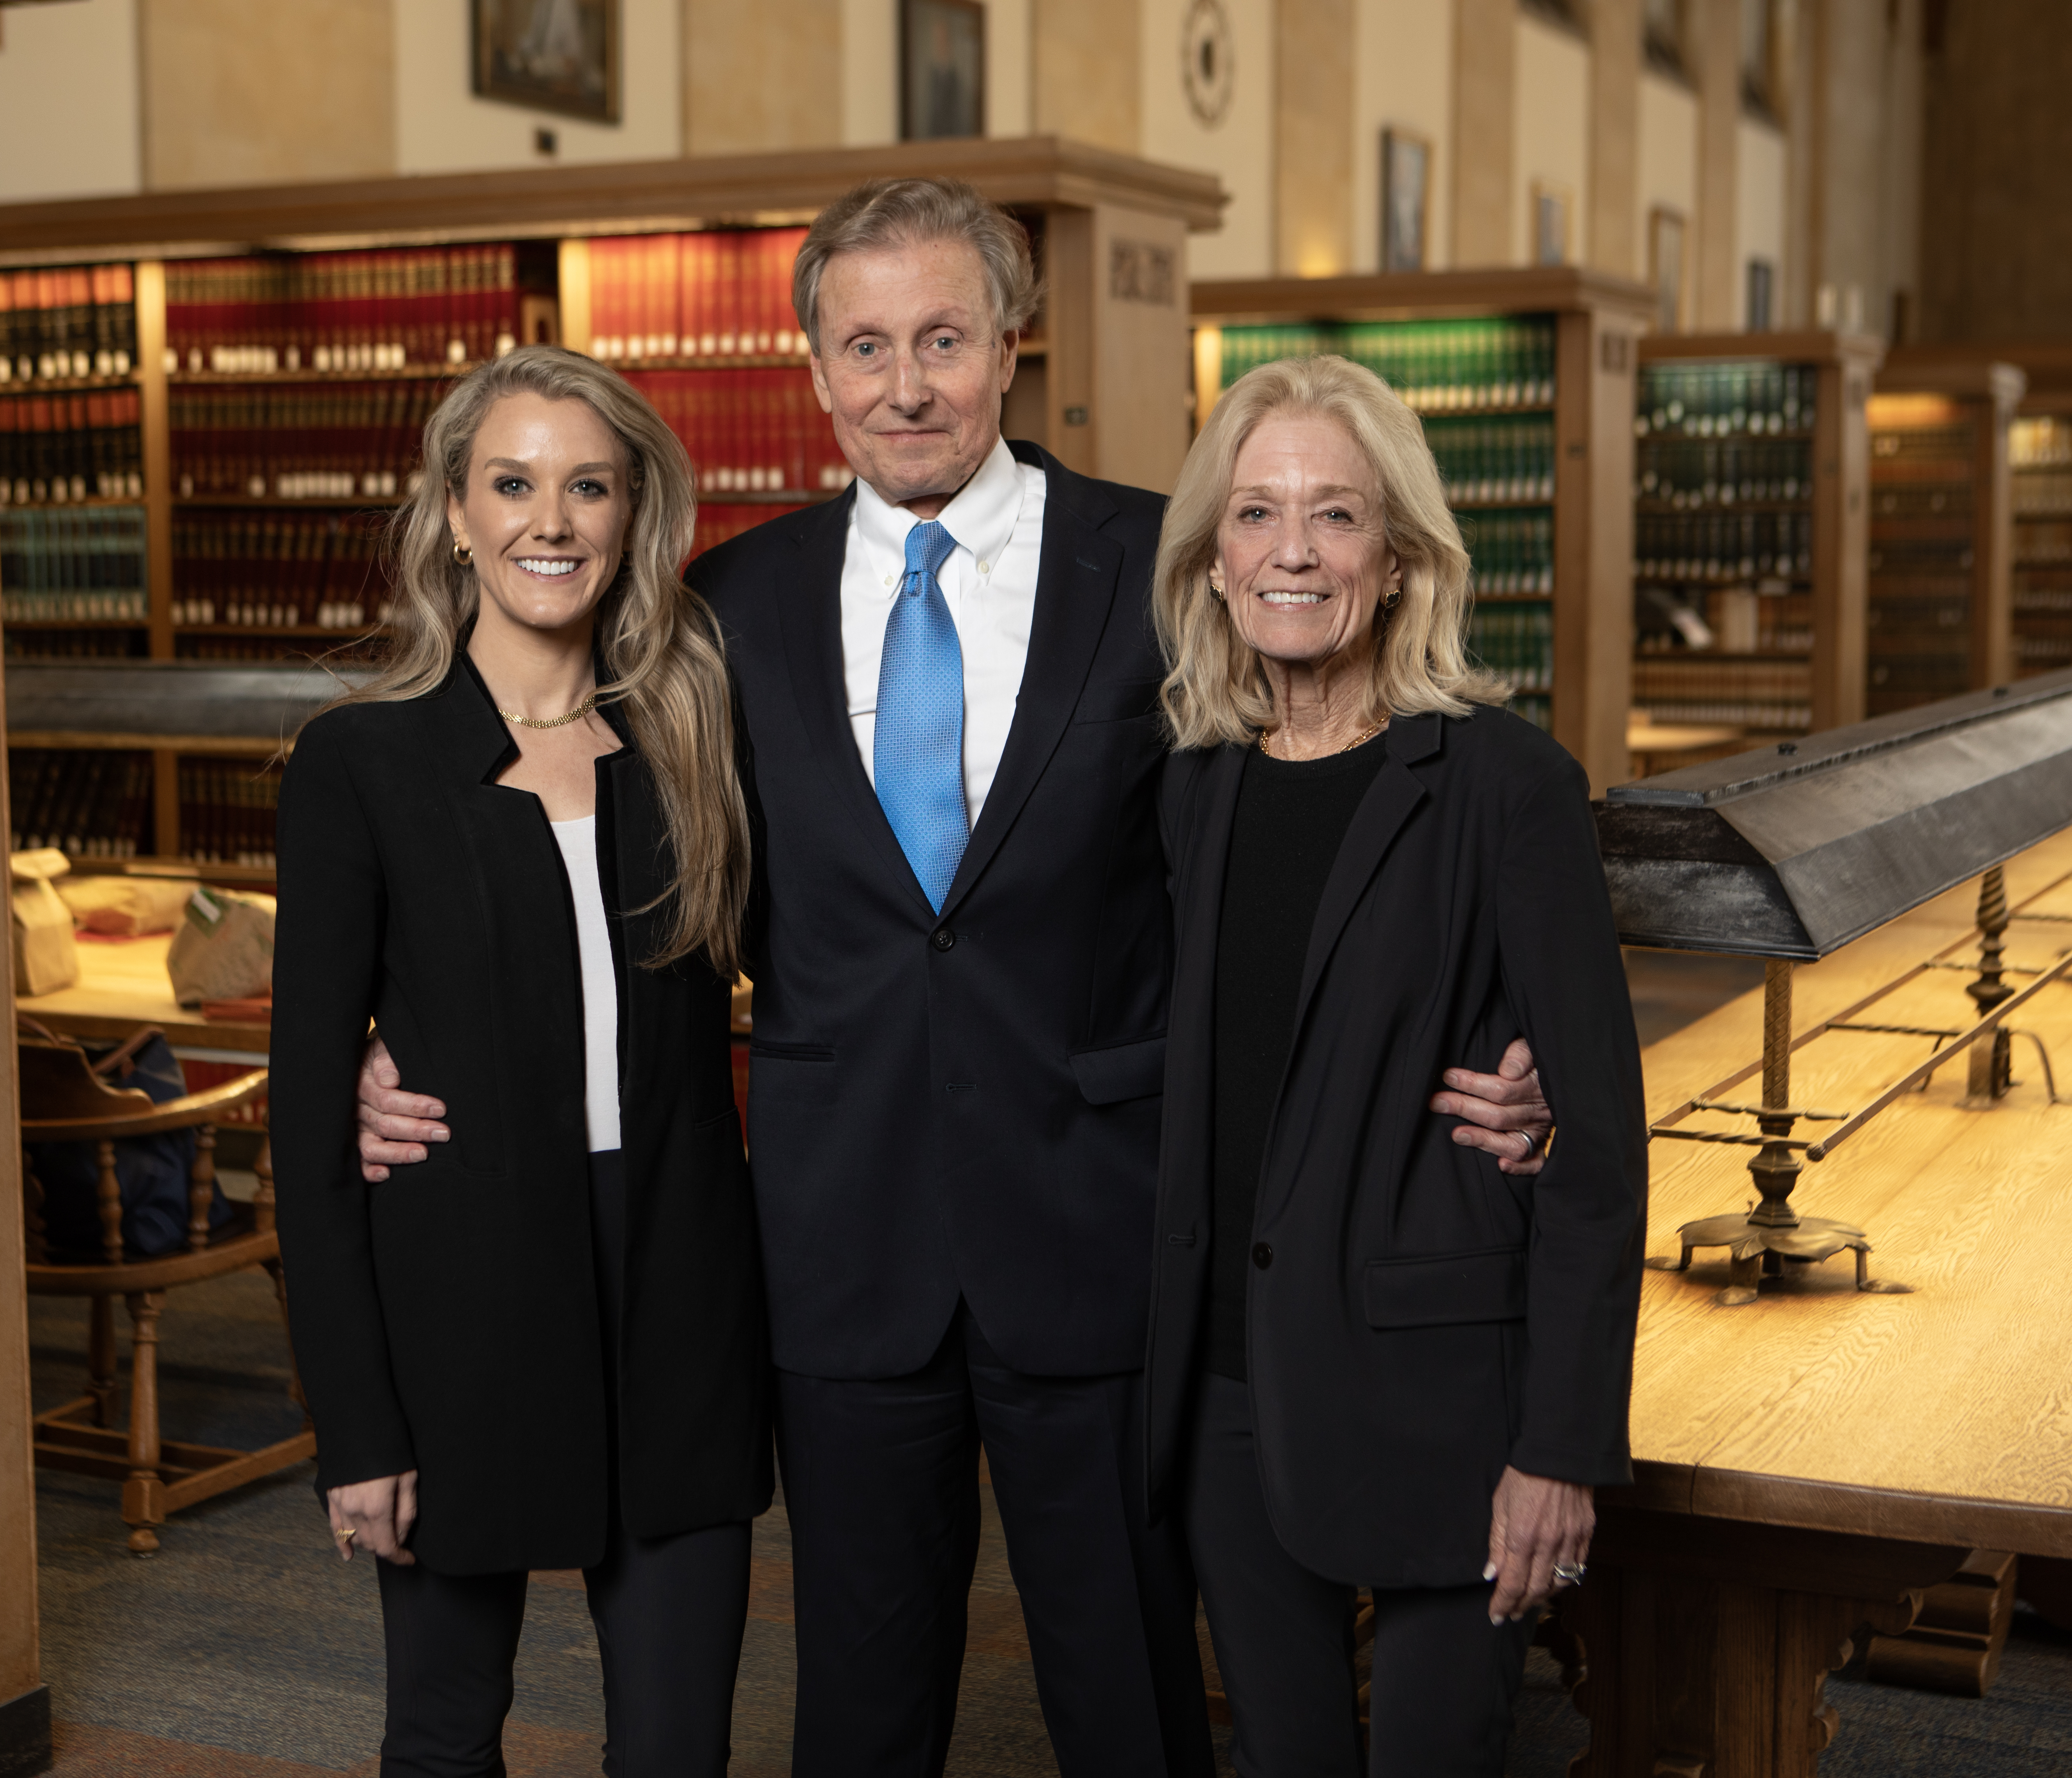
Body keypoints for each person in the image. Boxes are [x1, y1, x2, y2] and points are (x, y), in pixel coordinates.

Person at [352, 180, 1555, 1777]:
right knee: (858, 1708)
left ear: (1012, 343)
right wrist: (404, 1048)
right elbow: (613, 876)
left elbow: (1327, 814)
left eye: (942, 338)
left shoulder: (1164, 565)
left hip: (1104, 1234)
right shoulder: (729, 606)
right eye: (865, 345)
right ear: (816, 365)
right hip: (838, 1254)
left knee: (1129, 1699)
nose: (905, 384)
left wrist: (1493, 1032)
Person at [269, 346, 770, 1778]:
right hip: (460, 1307)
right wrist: (354, 1425)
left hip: (679, 1297)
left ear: (632, 517)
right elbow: (309, 1132)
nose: (550, 520)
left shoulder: (693, 739)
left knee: (679, 1747)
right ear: (455, 512)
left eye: (588, 486)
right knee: (443, 1731)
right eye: (514, 483)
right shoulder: (360, 764)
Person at [1143, 354, 1646, 1775]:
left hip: (1443, 1404)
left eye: (1336, 516)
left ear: (1404, 557)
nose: (1291, 550)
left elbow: (1601, 1147)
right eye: (1255, 514)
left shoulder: (1505, 785)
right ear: (1215, 559)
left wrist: (1562, 1447)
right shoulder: (1193, 786)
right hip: (1228, 1394)